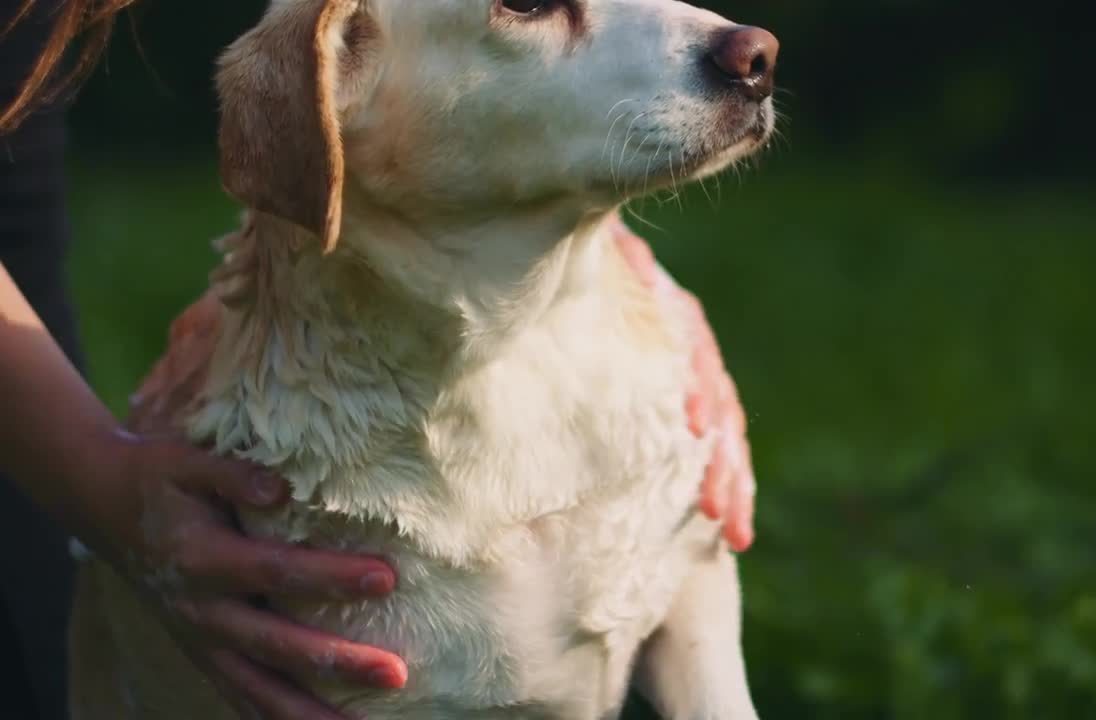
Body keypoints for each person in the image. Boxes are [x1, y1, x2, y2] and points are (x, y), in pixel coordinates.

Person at [0, 1, 758, 719]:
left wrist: (627, 263)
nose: (735, 42)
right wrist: (94, 480)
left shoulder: (646, 366)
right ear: (329, 89)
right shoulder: (283, 499)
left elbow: (687, 559)